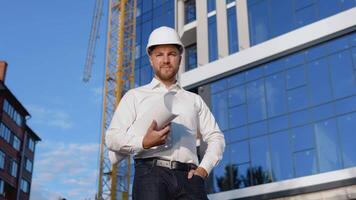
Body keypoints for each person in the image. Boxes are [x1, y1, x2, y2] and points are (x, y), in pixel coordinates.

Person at [105, 26, 225, 200]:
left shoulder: (194, 100)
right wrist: (143, 142)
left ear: (180, 58)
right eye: (159, 55)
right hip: (150, 176)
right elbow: (112, 137)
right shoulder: (135, 96)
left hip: (190, 178)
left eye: (172, 54)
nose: (166, 60)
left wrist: (203, 169)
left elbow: (216, 137)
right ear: (151, 59)